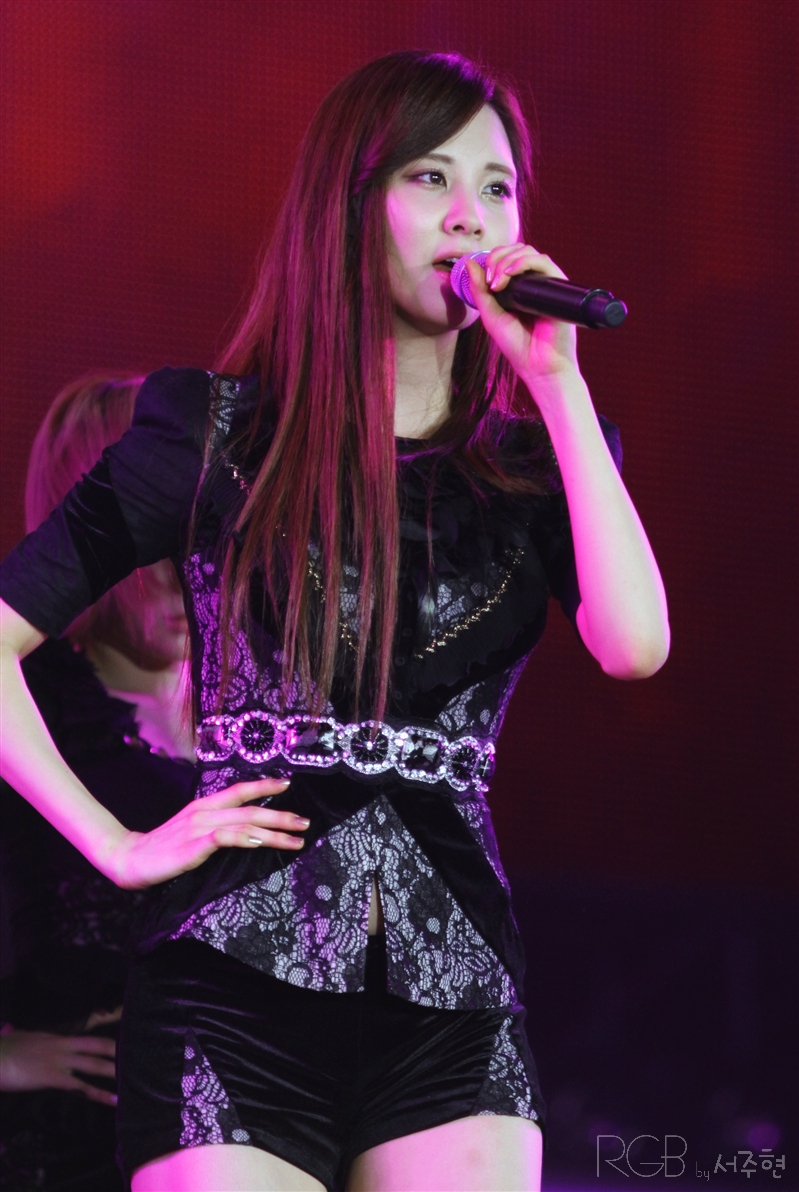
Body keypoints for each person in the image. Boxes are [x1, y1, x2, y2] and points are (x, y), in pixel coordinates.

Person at [0, 51, 669, 1192]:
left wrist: (559, 386)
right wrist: (116, 845)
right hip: (231, 991)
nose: (470, 216)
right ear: (349, 208)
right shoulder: (213, 435)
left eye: (497, 187)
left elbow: (634, 644)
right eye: (429, 178)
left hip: (453, 996)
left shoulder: (538, 461)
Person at [0, 374, 195, 1191]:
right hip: (70, 1147)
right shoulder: (29, 718)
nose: (185, 575)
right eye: (160, 547)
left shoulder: (265, 710)